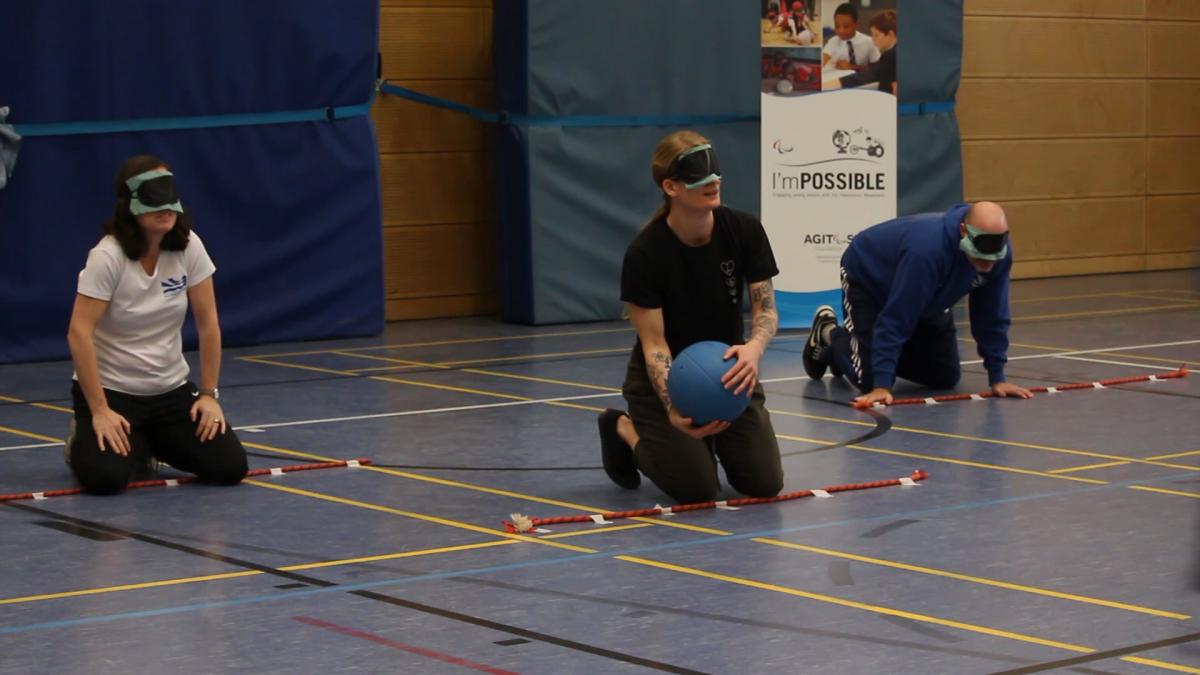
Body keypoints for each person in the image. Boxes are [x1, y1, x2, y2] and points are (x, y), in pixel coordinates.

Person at [597, 131, 784, 504]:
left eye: (715, 173)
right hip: (665, 381)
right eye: (699, 176)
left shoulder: (744, 230)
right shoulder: (645, 254)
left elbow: (766, 310)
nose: (713, 182)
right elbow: (654, 344)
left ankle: (712, 437)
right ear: (671, 186)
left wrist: (753, 349)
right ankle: (624, 428)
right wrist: (672, 406)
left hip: (730, 374)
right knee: (696, 490)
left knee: (764, 484)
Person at [65, 155, 248, 495]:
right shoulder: (108, 257)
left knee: (229, 467)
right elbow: (79, 333)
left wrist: (208, 394)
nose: (166, 207)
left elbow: (208, 323)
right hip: (113, 393)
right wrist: (100, 410)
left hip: (170, 392)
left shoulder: (189, 246)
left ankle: (147, 440)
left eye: (170, 194)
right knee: (107, 479)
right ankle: (83, 434)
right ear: (129, 203)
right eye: (154, 195)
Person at [802, 201, 1034, 408]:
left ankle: (864, 351)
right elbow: (896, 317)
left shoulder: (999, 254)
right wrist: (883, 384)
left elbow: (992, 314)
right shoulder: (927, 251)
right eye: (980, 257)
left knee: (944, 377)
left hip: (929, 296)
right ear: (964, 231)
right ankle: (829, 335)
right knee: (870, 379)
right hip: (869, 279)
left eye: (991, 259)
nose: (986, 263)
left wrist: (998, 377)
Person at [824, 9, 897, 94]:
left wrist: (829, 84)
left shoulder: (891, 55)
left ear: (890, 34)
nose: (873, 39)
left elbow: (868, 75)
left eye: (877, 35)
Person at [822, 3, 880, 72]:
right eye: (837, 26)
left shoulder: (869, 42)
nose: (841, 31)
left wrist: (852, 67)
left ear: (856, 25)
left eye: (846, 26)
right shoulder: (833, 42)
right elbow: (823, 59)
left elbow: (878, 67)